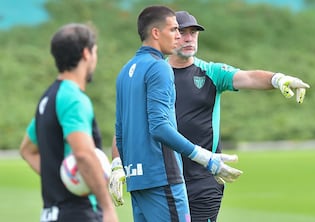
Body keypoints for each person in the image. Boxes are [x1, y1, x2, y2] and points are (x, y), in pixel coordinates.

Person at [166, 11, 311, 222]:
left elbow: (249, 77)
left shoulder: (211, 72)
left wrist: (278, 79)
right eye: (182, 33)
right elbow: (129, 121)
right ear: (168, 36)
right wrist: (118, 163)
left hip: (204, 179)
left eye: (194, 33)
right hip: (164, 178)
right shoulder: (155, 75)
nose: (189, 38)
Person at [108, 5, 242, 222]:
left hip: (138, 182)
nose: (179, 36)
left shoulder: (127, 70)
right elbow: (159, 127)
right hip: (164, 178)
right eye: (173, 30)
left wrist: (118, 166)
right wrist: (205, 158)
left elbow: (120, 128)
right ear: (155, 33)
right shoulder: (159, 67)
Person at [19, 23, 118, 222]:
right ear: (86, 54)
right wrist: (107, 207)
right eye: (95, 51)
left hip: (51, 214)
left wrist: (66, 179)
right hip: (78, 214)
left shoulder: (48, 98)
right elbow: (83, 154)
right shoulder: (73, 99)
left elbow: (27, 150)